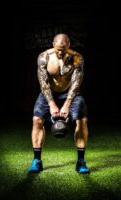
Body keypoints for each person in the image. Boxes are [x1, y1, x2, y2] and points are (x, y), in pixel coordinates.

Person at [28, 33, 90, 174]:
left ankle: (81, 161)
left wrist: (67, 104)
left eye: (63, 49)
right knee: (37, 120)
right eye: (57, 49)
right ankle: (37, 160)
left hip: (71, 92)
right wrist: (52, 104)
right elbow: (43, 84)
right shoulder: (44, 57)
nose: (60, 52)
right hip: (49, 92)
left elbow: (76, 83)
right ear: (53, 45)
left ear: (68, 45)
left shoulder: (77, 58)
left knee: (82, 121)